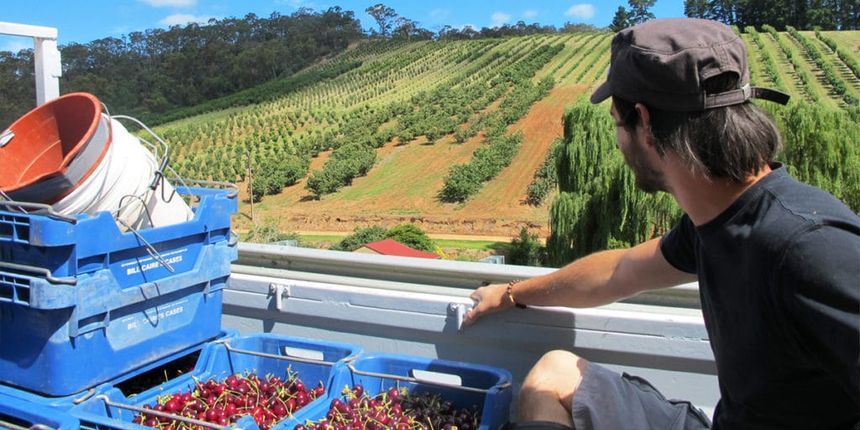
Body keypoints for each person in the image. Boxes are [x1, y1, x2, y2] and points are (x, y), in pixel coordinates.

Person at [464, 18, 860, 430]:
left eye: (617, 123)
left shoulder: (808, 247)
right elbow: (619, 271)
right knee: (554, 374)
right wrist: (510, 294)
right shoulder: (715, 221)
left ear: (645, 123)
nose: (618, 141)